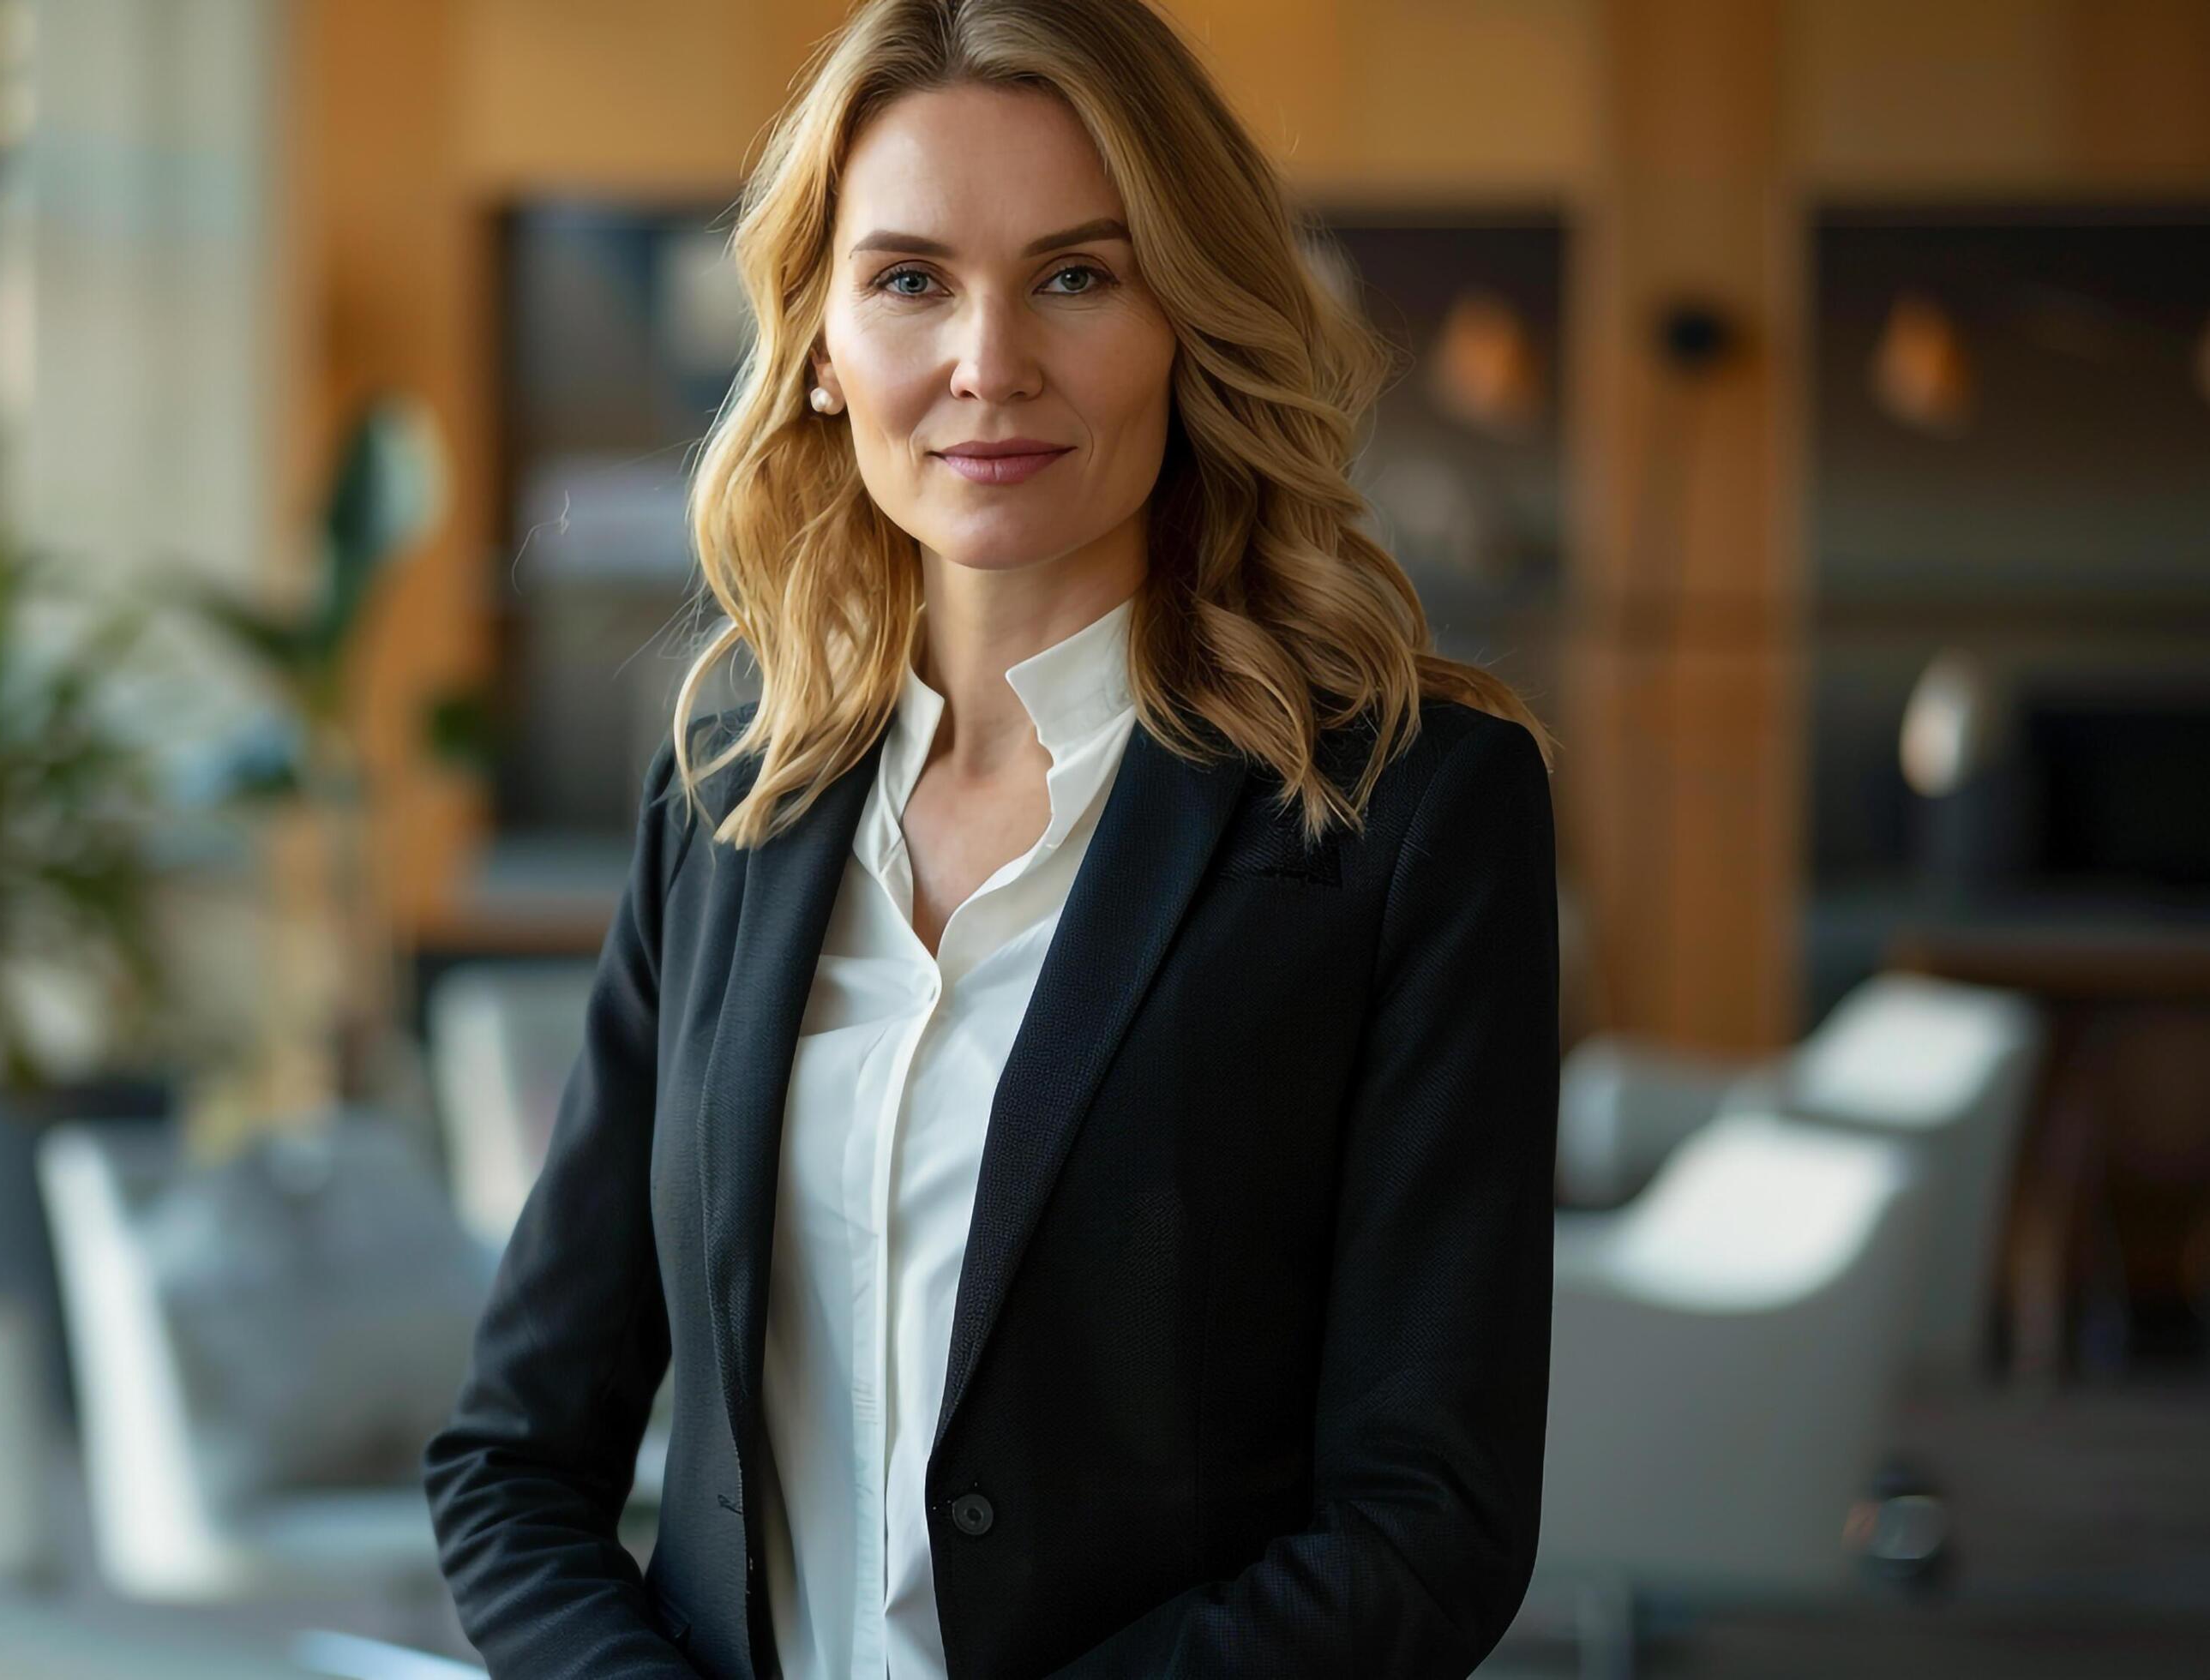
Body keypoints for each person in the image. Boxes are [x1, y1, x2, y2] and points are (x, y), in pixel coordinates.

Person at [423, 1, 1560, 1674]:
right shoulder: (728, 798)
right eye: (905, 280)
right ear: (815, 340)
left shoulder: (1406, 808)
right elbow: (512, 1456)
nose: (986, 360)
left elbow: (1426, 1519)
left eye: (1074, 275)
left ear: (1188, 313)